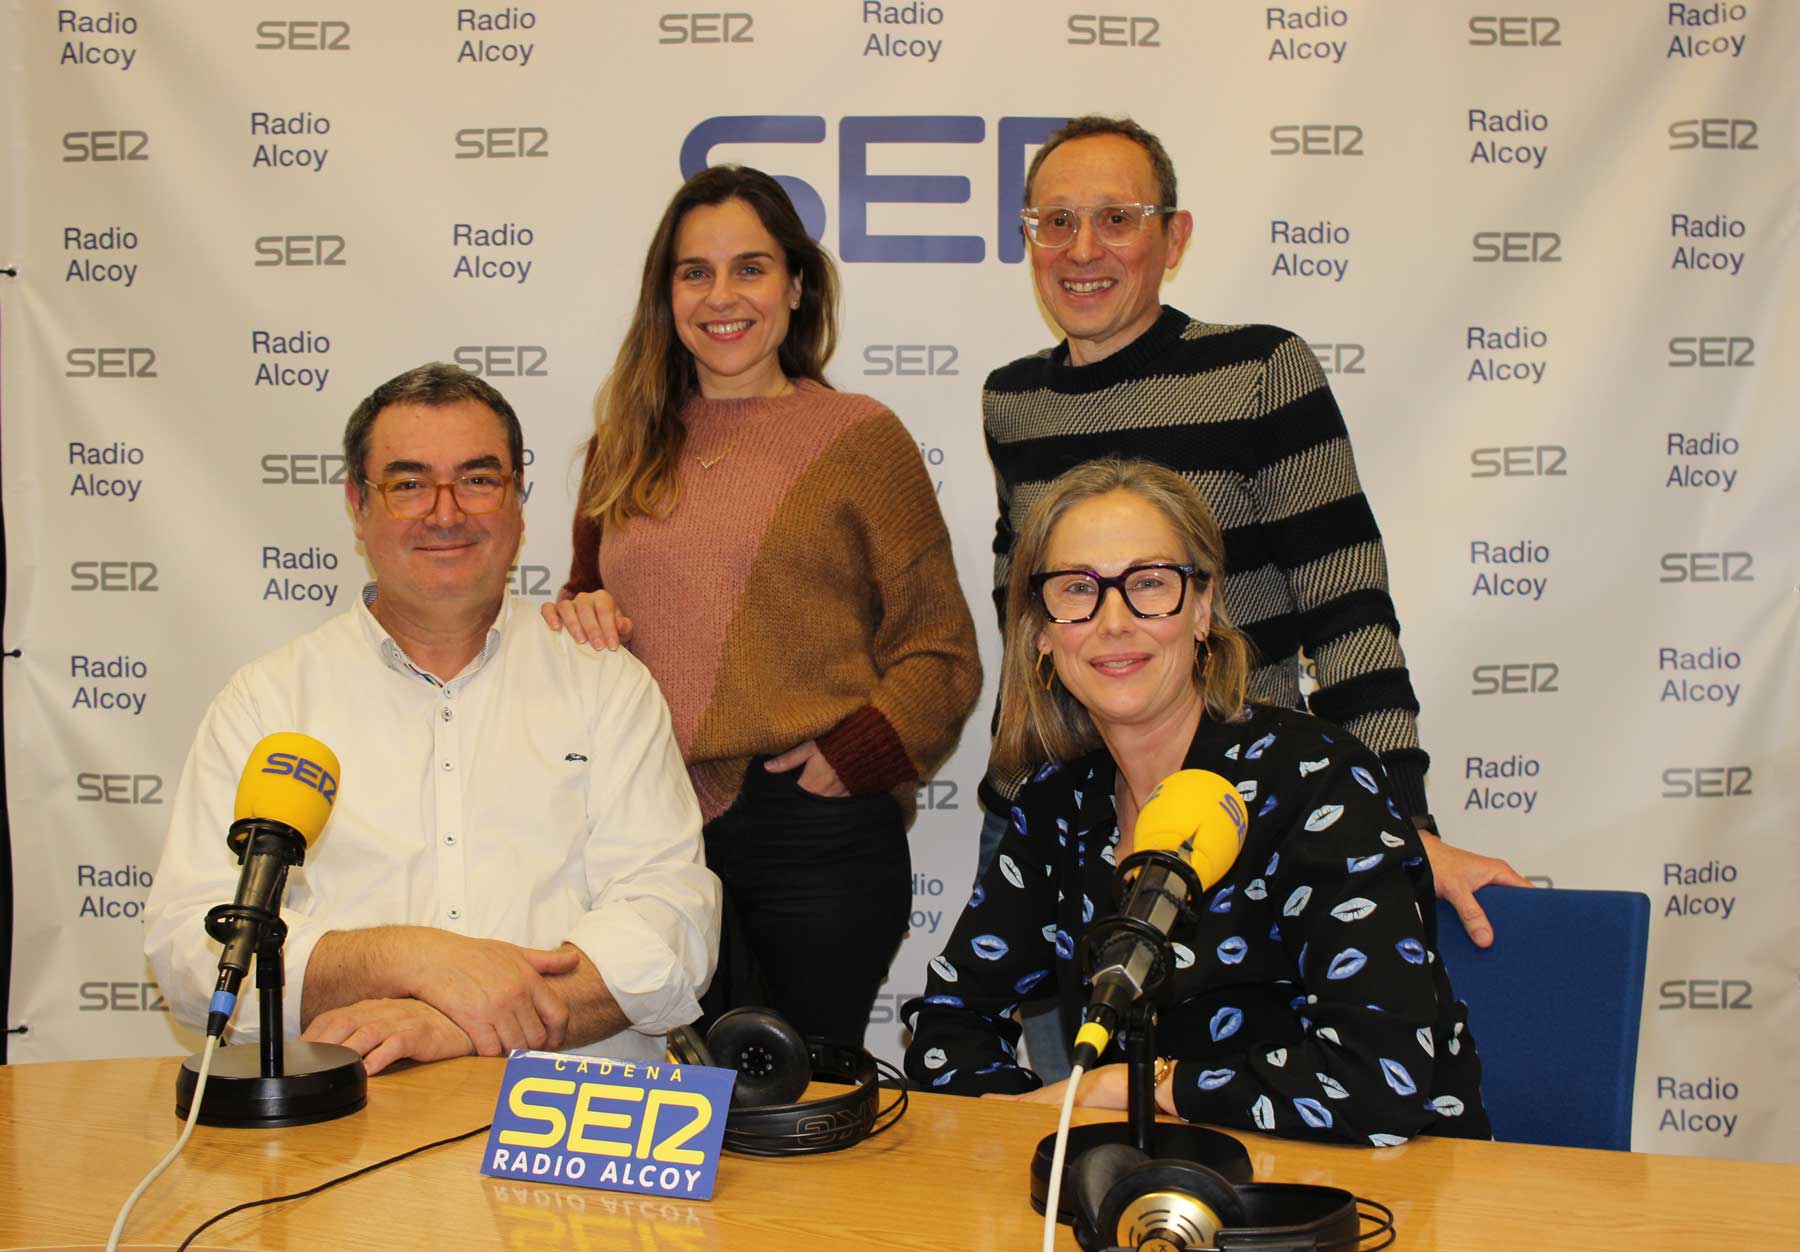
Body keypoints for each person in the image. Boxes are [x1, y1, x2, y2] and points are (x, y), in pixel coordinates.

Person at [981, 115, 1527, 952]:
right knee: (1066, 1086)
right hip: (1059, 827)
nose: (1082, 247)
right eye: (1055, 222)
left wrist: (1402, 822)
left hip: (1241, 817)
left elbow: (1348, 614)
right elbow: (1027, 624)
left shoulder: (1263, 372)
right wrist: (1022, 799)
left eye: (1117, 218)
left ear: (1175, 237)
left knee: (1213, 1081)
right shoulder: (1011, 404)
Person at [144, 363, 720, 1074]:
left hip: (568, 1132)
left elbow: (672, 924)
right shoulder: (269, 702)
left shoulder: (604, 684)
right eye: (409, 484)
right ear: (358, 506)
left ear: (518, 500)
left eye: (478, 480)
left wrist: (456, 1021)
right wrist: (411, 958)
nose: (446, 514)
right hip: (346, 1128)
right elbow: (192, 948)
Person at [904, 459, 1490, 1145]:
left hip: (1372, 1195)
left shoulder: (1316, 780)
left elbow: (1378, 1082)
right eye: (1076, 589)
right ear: (1040, 631)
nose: (1113, 621)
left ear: (1203, 609)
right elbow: (949, 1026)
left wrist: (1128, 1087)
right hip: (1156, 1193)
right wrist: (1043, 1139)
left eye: (1149, 584)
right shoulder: (1057, 803)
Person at [543, 165, 981, 1045]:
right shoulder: (620, 449)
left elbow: (943, 650)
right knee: (681, 1111)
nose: (721, 296)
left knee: (800, 1108)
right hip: (645, 835)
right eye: (694, 272)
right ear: (664, 297)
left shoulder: (859, 436)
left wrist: (857, 755)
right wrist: (575, 611)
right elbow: (588, 601)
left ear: (796, 284)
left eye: (750, 267)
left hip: (812, 835)